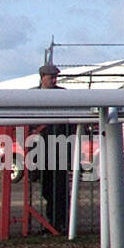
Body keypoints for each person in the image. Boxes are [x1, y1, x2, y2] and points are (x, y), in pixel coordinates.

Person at [32, 62, 71, 234]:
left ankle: (59, 223)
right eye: (51, 77)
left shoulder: (62, 95)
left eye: (56, 77)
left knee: (59, 188)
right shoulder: (31, 95)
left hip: (59, 149)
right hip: (40, 150)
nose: (54, 80)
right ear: (42, 78)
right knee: (47, 188)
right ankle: (52, 223)